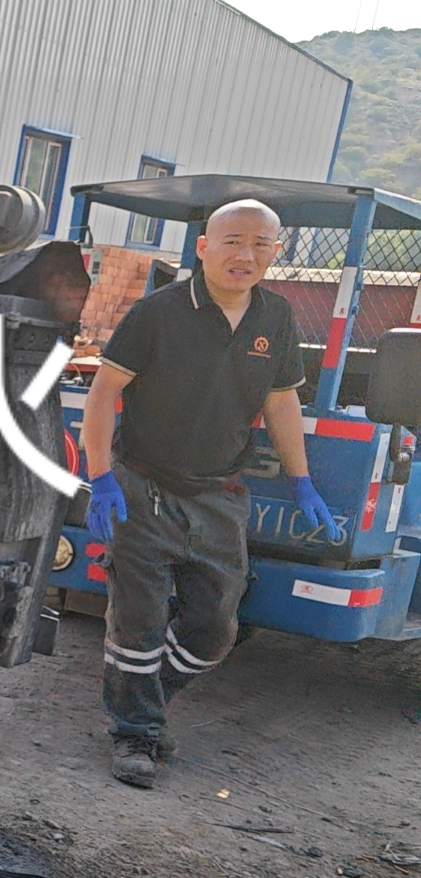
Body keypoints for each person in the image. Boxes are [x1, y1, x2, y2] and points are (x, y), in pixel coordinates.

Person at [79, 198, 337, 788]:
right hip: (144, 486)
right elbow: (103, 394)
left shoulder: (276, 317)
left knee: (215, 627)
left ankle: (148, 701)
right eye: (232, 241)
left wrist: (301, 481)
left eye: (260, 244)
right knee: (138, 622)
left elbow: (280, 402)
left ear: (276, 252)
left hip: (220, 494)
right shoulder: (158, 312)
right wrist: (101, 477)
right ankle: (135, 733)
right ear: (203, 248)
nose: (245, 255)